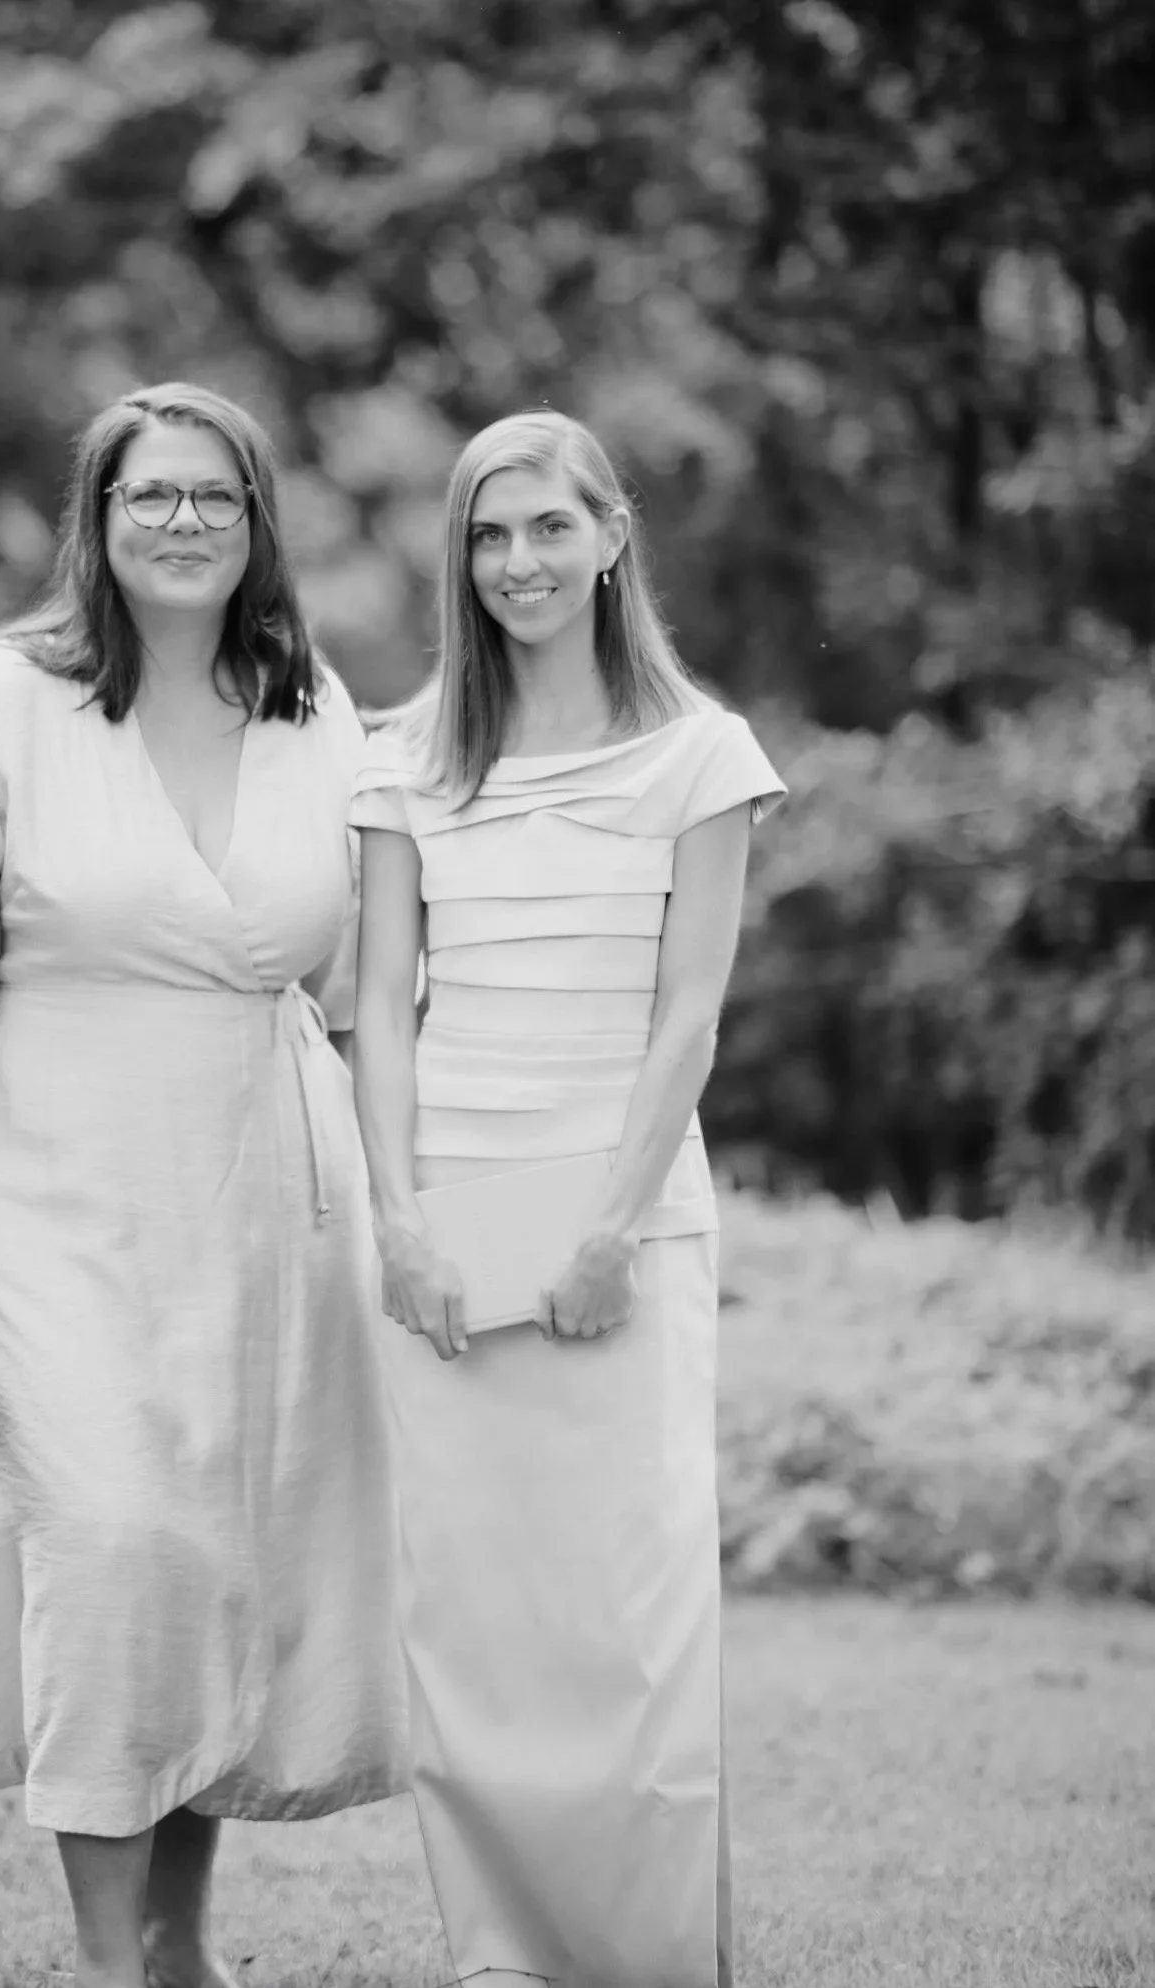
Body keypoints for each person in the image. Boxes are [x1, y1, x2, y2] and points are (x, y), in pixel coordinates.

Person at [0, 382, 406, 1988]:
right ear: (96, 518)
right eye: (149, 494)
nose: (182, 522)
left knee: (213, 1559)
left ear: (256, 521)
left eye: (215, 496)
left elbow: (366, 991)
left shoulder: (311, 710)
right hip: (52, 1197)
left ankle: (179, 1948)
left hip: (265, 1201)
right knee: (113, 1543)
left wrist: (411, 1204)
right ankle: (104, 1966)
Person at [350, 410, 785, 1988]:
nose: (517, 561)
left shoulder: (700, 755)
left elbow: (688, 1015)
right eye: (488, 533)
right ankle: (502, 1960)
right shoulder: (403, 761)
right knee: (475, 1615)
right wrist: (398, 1222)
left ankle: (650, 1959)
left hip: (626, 1219)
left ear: (611, 538)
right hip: (449, 1220)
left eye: (548, 526)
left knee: (628, 1610)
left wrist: (609, 1230)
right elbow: (378, 1003)